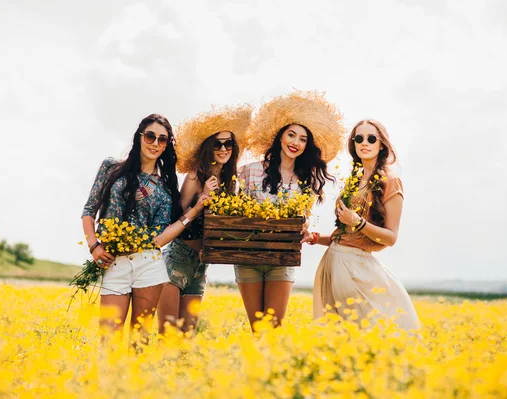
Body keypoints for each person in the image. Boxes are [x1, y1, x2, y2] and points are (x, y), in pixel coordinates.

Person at [81, 114, 208, 340]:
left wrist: (195, 210)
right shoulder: (111, 168)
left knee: (139, 342)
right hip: (114, 263)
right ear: (139, 137)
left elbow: (158, 239)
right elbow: (89, 210)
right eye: (150, 136)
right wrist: (93, 246)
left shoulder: (165, 187)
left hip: (148, 265)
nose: (155, 144)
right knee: (108, 341)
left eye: (162, 139)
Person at [237, 91, 344, 330]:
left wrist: (306, 232)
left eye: (303, 139)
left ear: (308, 146)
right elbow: (235, 213)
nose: (295, 143)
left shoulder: (308, 181)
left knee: (273, 328)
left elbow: (301, 222)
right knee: (257, 329)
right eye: (291, 135)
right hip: (248, 257)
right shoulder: (250, 171)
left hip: (283, 257)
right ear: (280, 137)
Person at [310, 119, 420, 330]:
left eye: (371, 138)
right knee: (342, 338)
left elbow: (390, 238)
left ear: (382, 145)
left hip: (357, 268)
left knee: (373, 334)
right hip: (334, 264)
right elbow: (345, 235)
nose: (364, 143)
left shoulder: (391, 181)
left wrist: (358, 223)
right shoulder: (355, 179)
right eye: (359, 138)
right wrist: (315, 238)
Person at [157, 105, 253, 335]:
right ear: (208, 147)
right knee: (168, 335)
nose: (223, 149)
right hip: (178, 258)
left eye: (228, 144)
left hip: (202, 264)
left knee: (187, 337)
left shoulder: (231, 183)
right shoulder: (194, 176)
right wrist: (201, 201)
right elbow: (176, 218)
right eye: (217, 144)